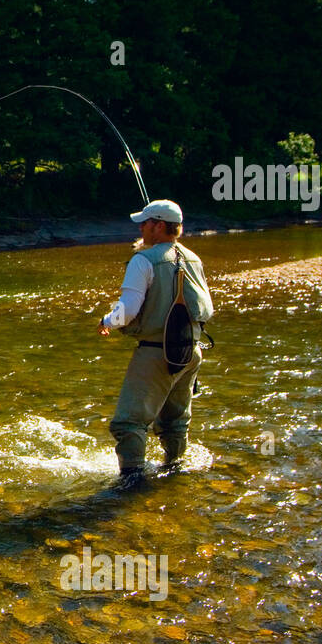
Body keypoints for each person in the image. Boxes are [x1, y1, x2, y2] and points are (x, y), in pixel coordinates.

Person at [97, 200, 214, 481]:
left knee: (128, 422)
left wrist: (106, 321)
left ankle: (131, 483)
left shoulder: (143, 260)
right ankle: (174, 473)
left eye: (145, 222)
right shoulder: (193, 259)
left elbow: (127, 312)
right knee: (175, 423)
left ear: (159, 226)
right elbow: (206, 308)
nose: (141, 227)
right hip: (191, 351)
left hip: (156, 354)